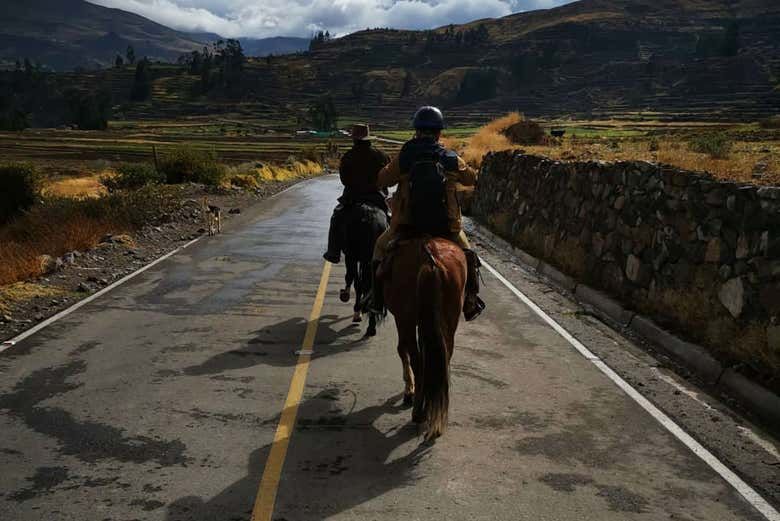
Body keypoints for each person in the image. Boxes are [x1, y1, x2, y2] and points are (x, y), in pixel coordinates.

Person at [368, 106, 486, 321]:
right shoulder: (449, 157)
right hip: (446, 226)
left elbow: (382, 180)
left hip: (407, 225)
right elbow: (470, 179)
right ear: (439, 132)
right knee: (468, 255)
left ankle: (375, 301)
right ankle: (470, 300)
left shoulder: (406, 155)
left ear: (416, 130)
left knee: (378, 249)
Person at [323, 124, 390, 264]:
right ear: (369, 139)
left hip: (352, 197)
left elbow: (344, 180)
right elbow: (388, 178)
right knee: (391, 219)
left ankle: (333, 252)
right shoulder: (381, 156)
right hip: (376, 197)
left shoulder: (348, 156)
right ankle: (390, 254)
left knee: (337, 217)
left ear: (354, 140)